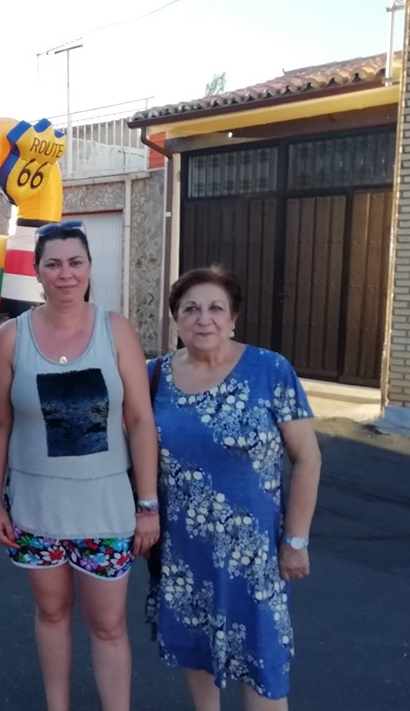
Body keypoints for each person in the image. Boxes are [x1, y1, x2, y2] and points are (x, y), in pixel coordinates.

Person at [0, 220, 160, 711]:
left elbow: (141, 420)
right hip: (36, 510)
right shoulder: (11, 337)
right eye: (53, 264)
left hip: (105, 509)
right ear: (38, 272)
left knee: (107, 626)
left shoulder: (116, 330)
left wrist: (147, 504)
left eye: (75, 263)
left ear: (89, 268)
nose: (65, 274)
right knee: (52, 613)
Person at [146, 265, 322, 711]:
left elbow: (307, 458)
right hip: (183, 553)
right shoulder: (153, 376)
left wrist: (296, 541)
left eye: (215, 308)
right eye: (191, 309)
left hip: (255, 555)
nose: (203, 319)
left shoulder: (270, 370)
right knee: (198, 648)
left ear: (234, 317)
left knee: (263, 664)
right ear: (176, 319)